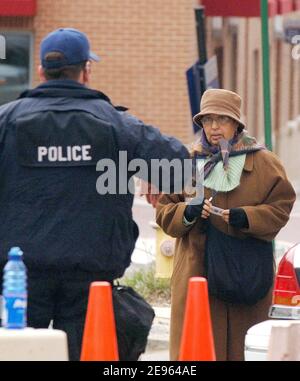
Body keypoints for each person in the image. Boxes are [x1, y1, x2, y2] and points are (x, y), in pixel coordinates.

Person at [0, 28, 190, 361]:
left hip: (19, 281)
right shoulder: (117, 126)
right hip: (91, 284)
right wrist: (154, 176)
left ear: (42, 70)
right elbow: (181, 167)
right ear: (86, 71)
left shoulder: (7, 122)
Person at [156, 88, 296, 361]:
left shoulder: (265, 162)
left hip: (247, 277)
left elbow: (282, 206)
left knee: (244, 351)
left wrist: (249, 217)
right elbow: (164, 212)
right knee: (198, 352)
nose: (214, 127)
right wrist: (188, 212)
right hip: (198, 278)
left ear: (236, 124)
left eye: (222, 119)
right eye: (207, 120)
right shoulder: (187, 162)